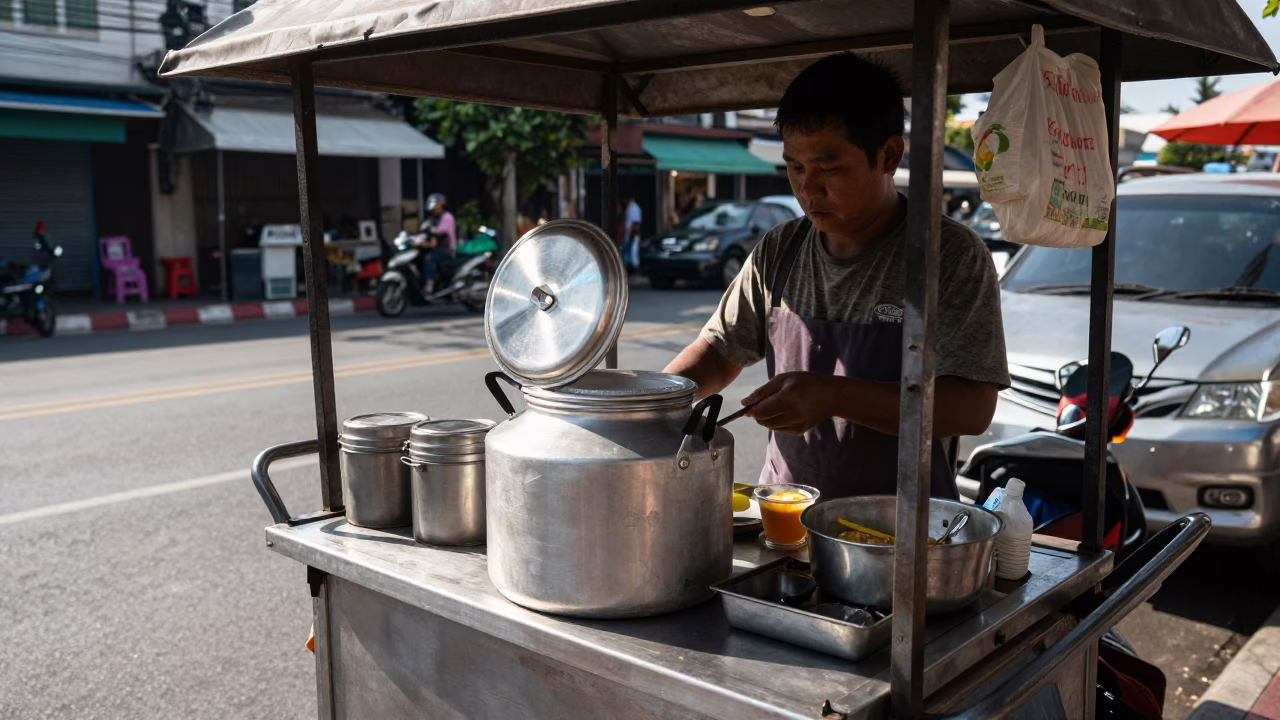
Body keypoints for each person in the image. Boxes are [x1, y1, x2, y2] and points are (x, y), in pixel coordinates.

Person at [663, 52, 1009, 500]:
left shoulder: (948, 255)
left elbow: (972, 407)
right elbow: (716, 352)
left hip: (900, 532)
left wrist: (832, 396)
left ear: (887, 155)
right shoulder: (780, 249)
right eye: (795, 167)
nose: (808, 189)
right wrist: (649, 406)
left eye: (829, 168)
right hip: (787, 517)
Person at [419, 192, 456, 293]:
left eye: (435, 205)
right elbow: (424, 230)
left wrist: (429, 229)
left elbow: (441, 231)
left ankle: (429, 284)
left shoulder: (447, 217)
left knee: (430, 259)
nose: (434, 208)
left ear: (440, 204)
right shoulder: (433, 218)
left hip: (447, 251)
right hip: (436, 249)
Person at [624, 193, 643, 270]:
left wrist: (632, 233)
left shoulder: (634, 207)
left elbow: (635, 222)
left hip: (633, 232)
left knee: (633, 251)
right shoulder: (630, 207)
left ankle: (635, 268)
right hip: (630, 232)